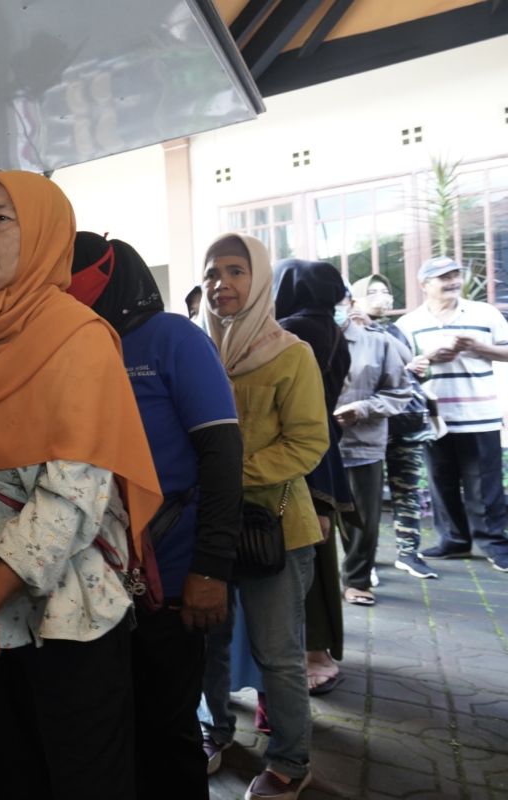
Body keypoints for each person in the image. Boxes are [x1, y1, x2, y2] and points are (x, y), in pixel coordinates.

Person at [0, 171, 163, 800]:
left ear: (47, 237)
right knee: (1, 775)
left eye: (2, 219)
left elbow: (72, 500)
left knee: (81, 781)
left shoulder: (79, 338)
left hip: (69, 619)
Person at [68, 232, 243, 798]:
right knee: (117, 728)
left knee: (168, 730)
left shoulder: (171, 338)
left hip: (169, 578)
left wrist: (211, 570)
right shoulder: (78, 348)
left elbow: (222, 456)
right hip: (95, 586)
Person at [197, 234, 329, 800]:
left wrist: (229, 472)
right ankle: (214, 730)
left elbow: (308, 443)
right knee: (207, 639)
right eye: (211, 273)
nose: (221, 283)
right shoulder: (197, 351)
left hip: (274, 526)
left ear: (260, 279)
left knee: (278, 654)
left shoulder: (289, 353)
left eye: (235, 270)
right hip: (208, 527)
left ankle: (290, 762)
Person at [272, 258, 355, 697]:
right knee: (318, 555)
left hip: (299, 456)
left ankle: (315, 655)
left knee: (305, 555)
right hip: (323, 451)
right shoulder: (332, 328)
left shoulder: (291, 330)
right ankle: (319, 651)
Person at [396, 256, 508, 572]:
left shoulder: (485, 313)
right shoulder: (408, 323)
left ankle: (494, 544)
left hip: (479, 411)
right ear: (424, 285)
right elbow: (399, 370)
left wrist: (479, 348)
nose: (452, 281)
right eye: (443, 277)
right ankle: (453, 541)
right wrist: (426, 358)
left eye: (456, 274)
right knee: (441, 481)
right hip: (434, 416)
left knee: (485, 484)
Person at [349, 273, 438, 579]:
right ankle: (364, 562)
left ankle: (408, 552)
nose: (381, 297)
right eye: (372, 292)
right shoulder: (347, 331)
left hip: (404, 424)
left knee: (407, 490)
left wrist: (420, 371)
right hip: (367, 429)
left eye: (385, 291)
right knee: (365, 502)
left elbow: (410, 374)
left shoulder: (398, 331)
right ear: (355, 298)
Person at [333, 290, 412, 604]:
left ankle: (357, 580)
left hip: (362, 442)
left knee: (363, 518)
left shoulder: (377, 342)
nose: (332, 310)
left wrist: (363, 408)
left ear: (351, 304)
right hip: (316, 445)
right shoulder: (303, 339)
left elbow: (400, 392)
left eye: (338, 303)